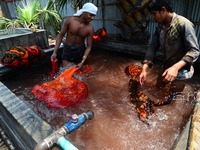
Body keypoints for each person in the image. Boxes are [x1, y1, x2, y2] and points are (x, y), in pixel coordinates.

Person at [139, 0, 199, 105]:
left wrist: (175, 68)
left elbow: (194, 51)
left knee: (170, 101)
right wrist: (144, 69)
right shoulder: (159, 27)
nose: (153, 17)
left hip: (181, 70)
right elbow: (152, 48)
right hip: (167, 67)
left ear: (163, 10)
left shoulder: (184, 24)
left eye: (154, 13)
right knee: (157, 87)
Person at [51, 3, 98, 70]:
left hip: (80, 50)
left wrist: (82, 62)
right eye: (91, 15)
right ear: (84, 12)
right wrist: (54, 52)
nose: (92, 18)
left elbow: (89, 46)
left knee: (84, 75)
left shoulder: (90, 28)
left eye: (94, 16)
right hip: (68, 49)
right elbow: (61, 35)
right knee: (67, 74)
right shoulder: (70, 20)